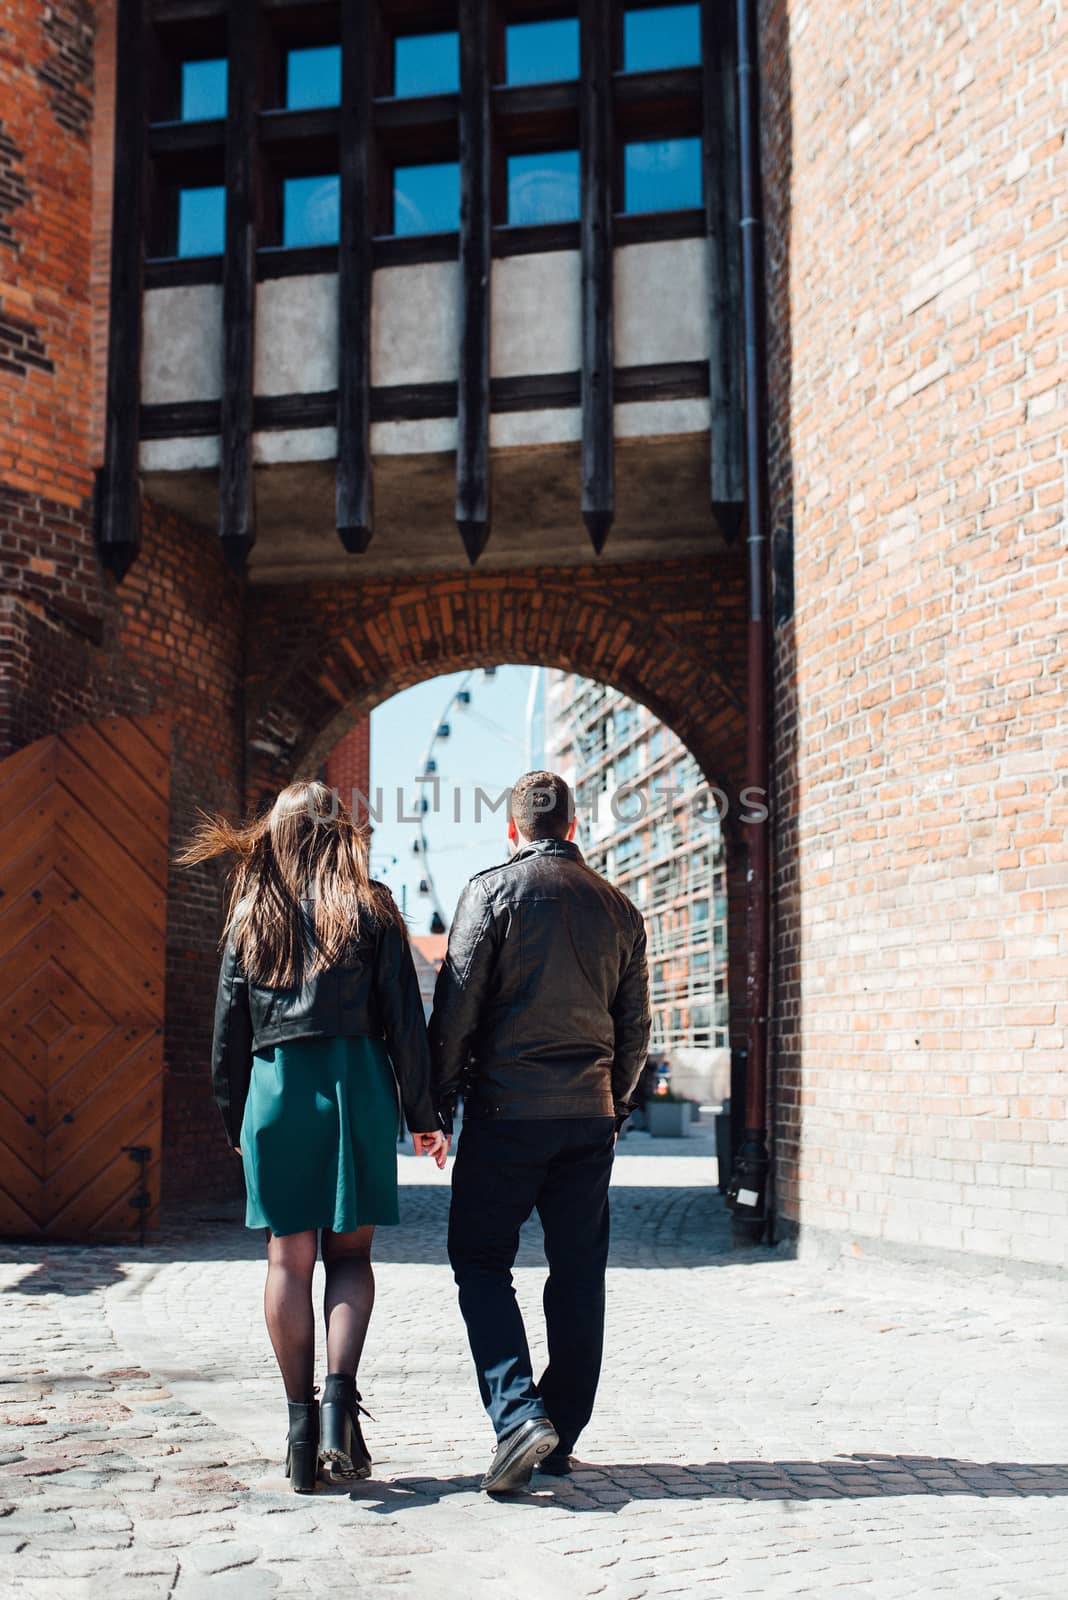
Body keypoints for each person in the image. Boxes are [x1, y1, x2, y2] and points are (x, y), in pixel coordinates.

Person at [182, 781, 449, 1493]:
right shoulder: (375, 907)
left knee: (287, 1263)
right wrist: (423, 1117)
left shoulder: (250, 912)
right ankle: (338, 1404)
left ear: (277, 835)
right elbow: (405, 1024)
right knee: (351, 1259)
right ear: (341, 834)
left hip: (276, 1091)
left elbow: (226, 1033)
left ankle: (301, 1435)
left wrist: (235, 1117)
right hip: (356, 1085)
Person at [429, 770, 651, 1493]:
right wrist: (613, 1104)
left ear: (513, 829)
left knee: (481, 1259)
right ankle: (558, 1429)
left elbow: (456, 1009)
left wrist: (433, 1107)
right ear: (576, 826)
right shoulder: (619, 908)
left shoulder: (488, 893)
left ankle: (519, 1412)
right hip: (587, 1115)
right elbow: (635, 1029)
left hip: (506, 1114)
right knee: (579, 1272)